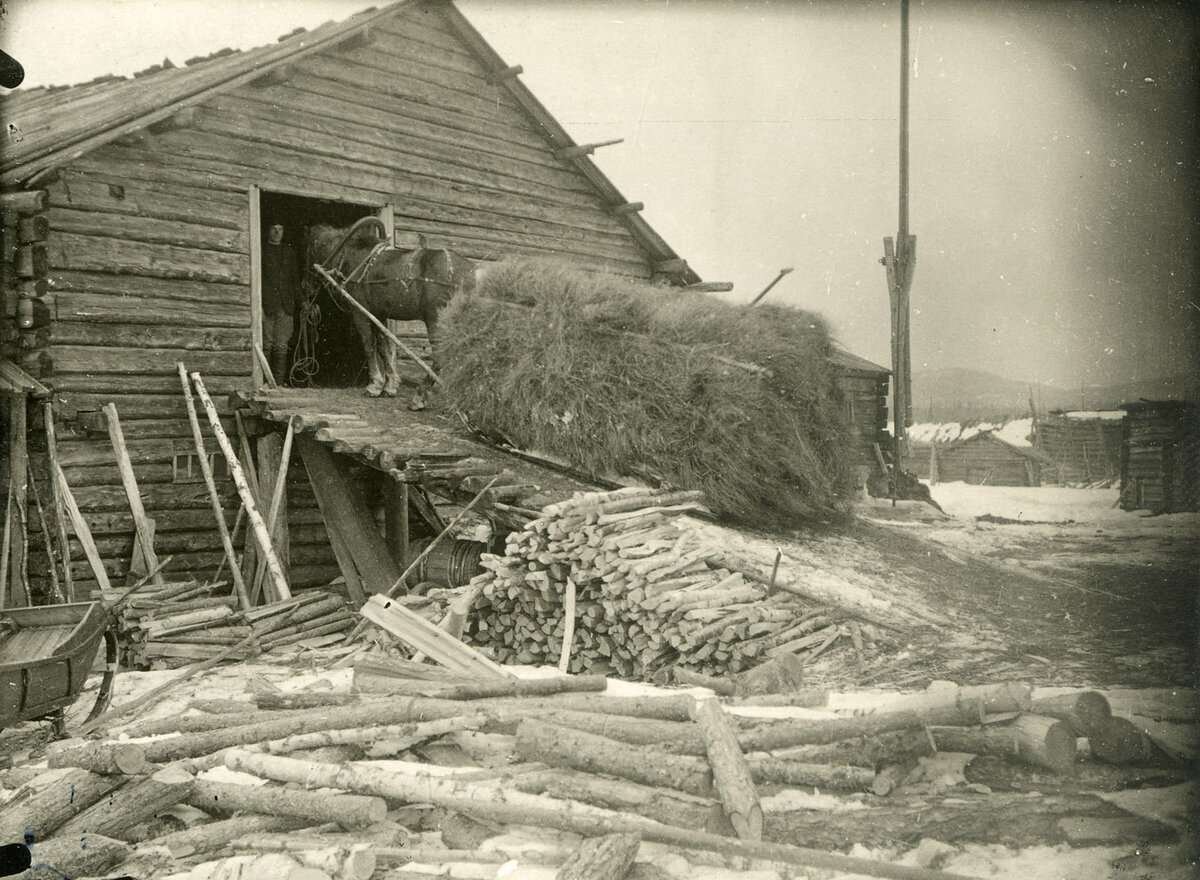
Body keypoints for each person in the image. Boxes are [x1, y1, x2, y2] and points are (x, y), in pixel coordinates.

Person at [261, 222, 300, 385]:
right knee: (267, 344)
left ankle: (278, 383)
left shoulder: (289, 252)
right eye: (273, 229)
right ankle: (265, 382)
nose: (277, 232)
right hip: (267, 305)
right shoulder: (261, 251)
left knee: (281, 345)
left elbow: (295, 280)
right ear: (268, 231)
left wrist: (303, 302)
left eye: (280, 229)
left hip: (286, 306)